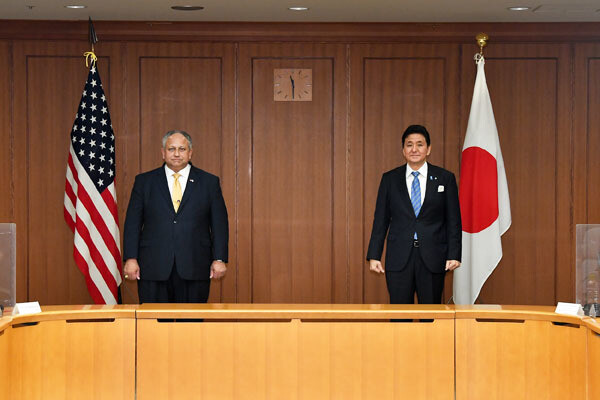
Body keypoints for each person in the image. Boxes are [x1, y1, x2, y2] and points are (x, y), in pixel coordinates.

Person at [123, 130, 228, 303]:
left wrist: (219, 258)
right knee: (154, 325)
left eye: (182, 149)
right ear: (163, 153)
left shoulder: (209, 182)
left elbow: (219, 224)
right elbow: (133, 223)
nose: (177, 154)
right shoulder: (144, 182)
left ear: (190, 152)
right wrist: (131, 258)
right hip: (153, 267)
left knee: (190, 326)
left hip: (195, 265)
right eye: (171, 149)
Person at [367, 125, 461, 304]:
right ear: (403, 150)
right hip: (399, 257)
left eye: (420, 144)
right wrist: (374, 255)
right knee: (400, 316)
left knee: (431, 316)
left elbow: (454, 220)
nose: (414, 149)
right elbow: (380, 220)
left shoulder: (444, 178)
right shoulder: (390, 179)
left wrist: (454, 254)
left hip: (433, 257)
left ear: (429, 149)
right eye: (409, 145)